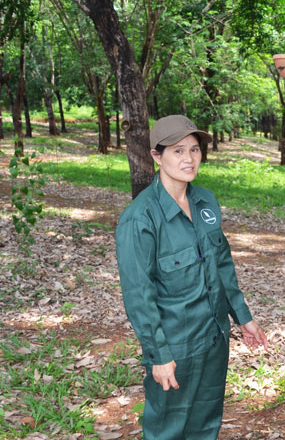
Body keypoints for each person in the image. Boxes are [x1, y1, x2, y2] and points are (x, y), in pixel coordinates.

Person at [115, 115, 269, 440]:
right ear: (157, 156)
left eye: (194, 150)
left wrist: (243, 317)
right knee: (167, 430)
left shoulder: (205, 202)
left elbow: (222, 264)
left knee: (206, 425)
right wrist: (159, 356)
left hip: (214, 338)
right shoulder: (140, 218)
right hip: (176, 346)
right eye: (178, 151)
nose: (189, 159)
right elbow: (139, 295)